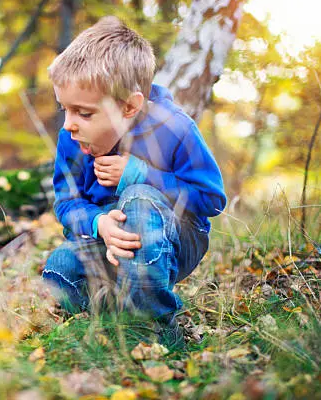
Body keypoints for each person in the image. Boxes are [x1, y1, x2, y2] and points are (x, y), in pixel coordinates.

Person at [42, 17, 227, 349]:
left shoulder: (174, 128)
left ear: (129, 106)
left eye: (83, 113)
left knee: (140, 197)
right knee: (59, 269)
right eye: (64, 109)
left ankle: (153, 330)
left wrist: (140, 175)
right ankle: (116, 313)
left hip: (174, 239)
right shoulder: (71, 139)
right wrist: (98, 223)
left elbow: (210, 199)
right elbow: (66, 202)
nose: (69, 124)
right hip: (106, 243)